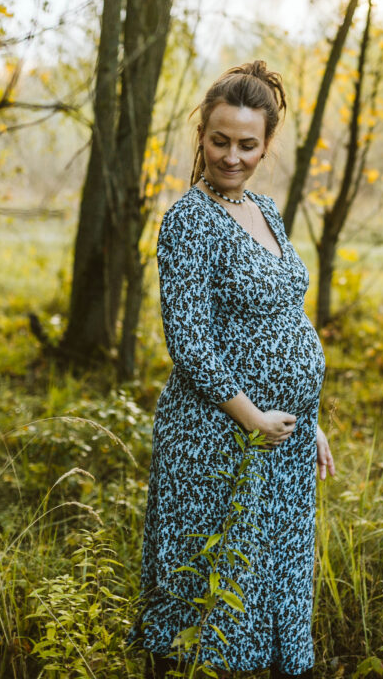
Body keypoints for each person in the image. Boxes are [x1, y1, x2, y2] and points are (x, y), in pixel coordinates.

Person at [127, 60, 336, 679]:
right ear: (202, 137)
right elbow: (189, 341)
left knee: (267, 576)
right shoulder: (189, 220)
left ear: (266, 145)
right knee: (202, 577)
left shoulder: (266, 210)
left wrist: (307, 422)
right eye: (220, 140)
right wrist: (252, 418)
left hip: (278, 436)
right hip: (216, 435)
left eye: (247, 143)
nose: (232, 156)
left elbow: (281, 316)